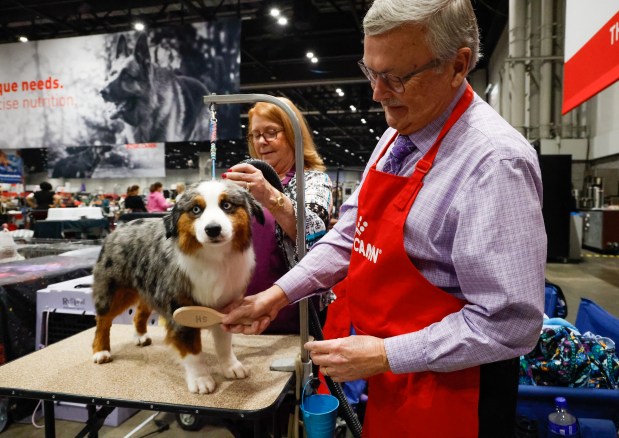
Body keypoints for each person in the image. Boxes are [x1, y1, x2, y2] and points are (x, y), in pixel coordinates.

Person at [222, 1, 547, 436]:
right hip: (391, 375)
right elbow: (347, 237)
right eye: (371, 71)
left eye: (396, 77)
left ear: (458, 64)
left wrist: (389, 354)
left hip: (455, 392)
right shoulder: (397, 135)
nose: (377, 92)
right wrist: (276, 296)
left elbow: (511, 324)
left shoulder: (494, 164)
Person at [223, 97, 333, 333]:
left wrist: (269, 195)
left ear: (293, 134)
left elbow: (313, 232)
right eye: (255, 135)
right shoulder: (242, 184)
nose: (262, 142)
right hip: (240, 307)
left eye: (271, 132)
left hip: (292, 310)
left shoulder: (312, 180)